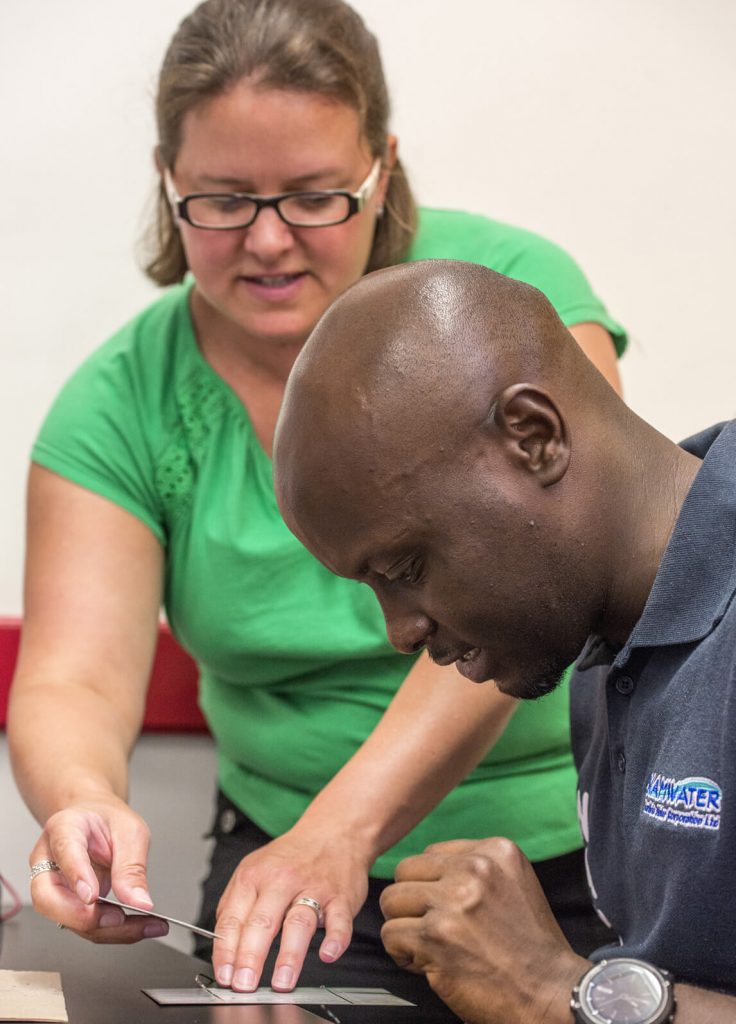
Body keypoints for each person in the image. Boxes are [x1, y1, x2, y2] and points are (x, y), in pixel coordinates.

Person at [7, 0, 625, 1008]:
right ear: (168, 184)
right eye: (220, 199)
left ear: (380, 169)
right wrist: (83, 801)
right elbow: (74, 679)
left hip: (579, 860)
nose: (266, 241)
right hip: (289, 874)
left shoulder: (508, 295)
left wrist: (340, 831)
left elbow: (532, 589)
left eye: (312, 196)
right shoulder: (120, 400)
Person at [273, 257, 736, 1022]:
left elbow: (565, 999)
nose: (401, 632)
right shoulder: (598, 635)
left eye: (408, 566)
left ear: (534, 436)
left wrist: (548, 989)